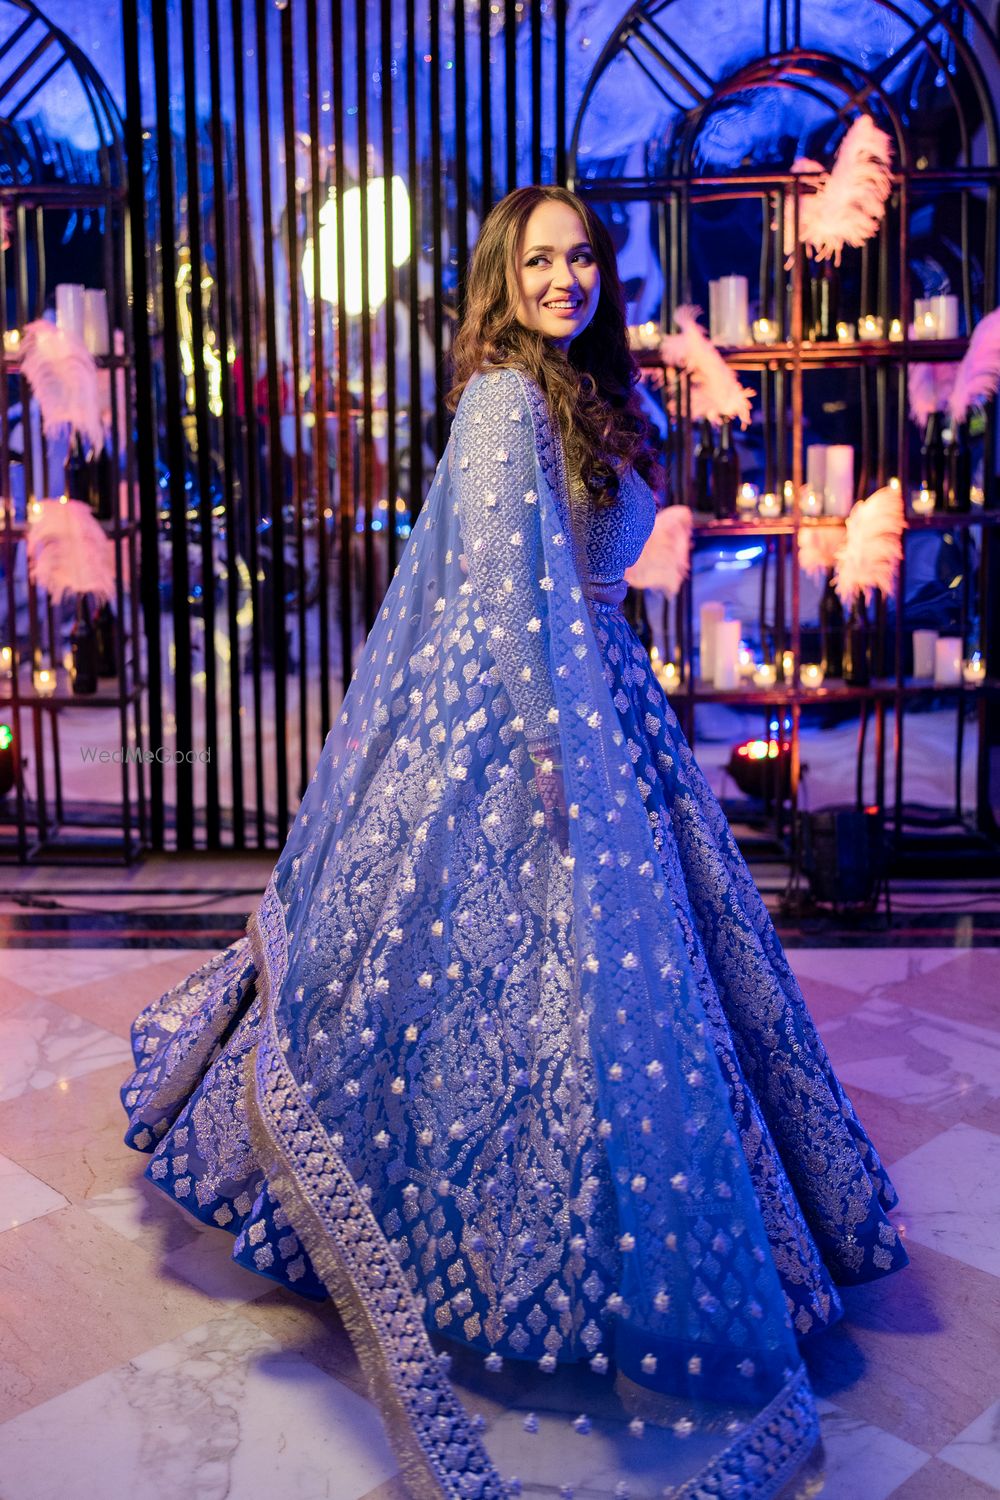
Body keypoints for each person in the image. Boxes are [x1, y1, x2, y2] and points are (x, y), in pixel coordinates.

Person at [123, 185, 906, 1498]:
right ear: (503, 276)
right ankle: (490, 1256)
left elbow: (589, 579)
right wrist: (555, 756)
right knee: (506, 1002)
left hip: (608, 696)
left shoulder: (588, 390)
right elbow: (498, 593)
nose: (565, 277)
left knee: (649, 999)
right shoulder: (502, 399)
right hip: (537, 729)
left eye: (582, 255)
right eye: (538, 259)